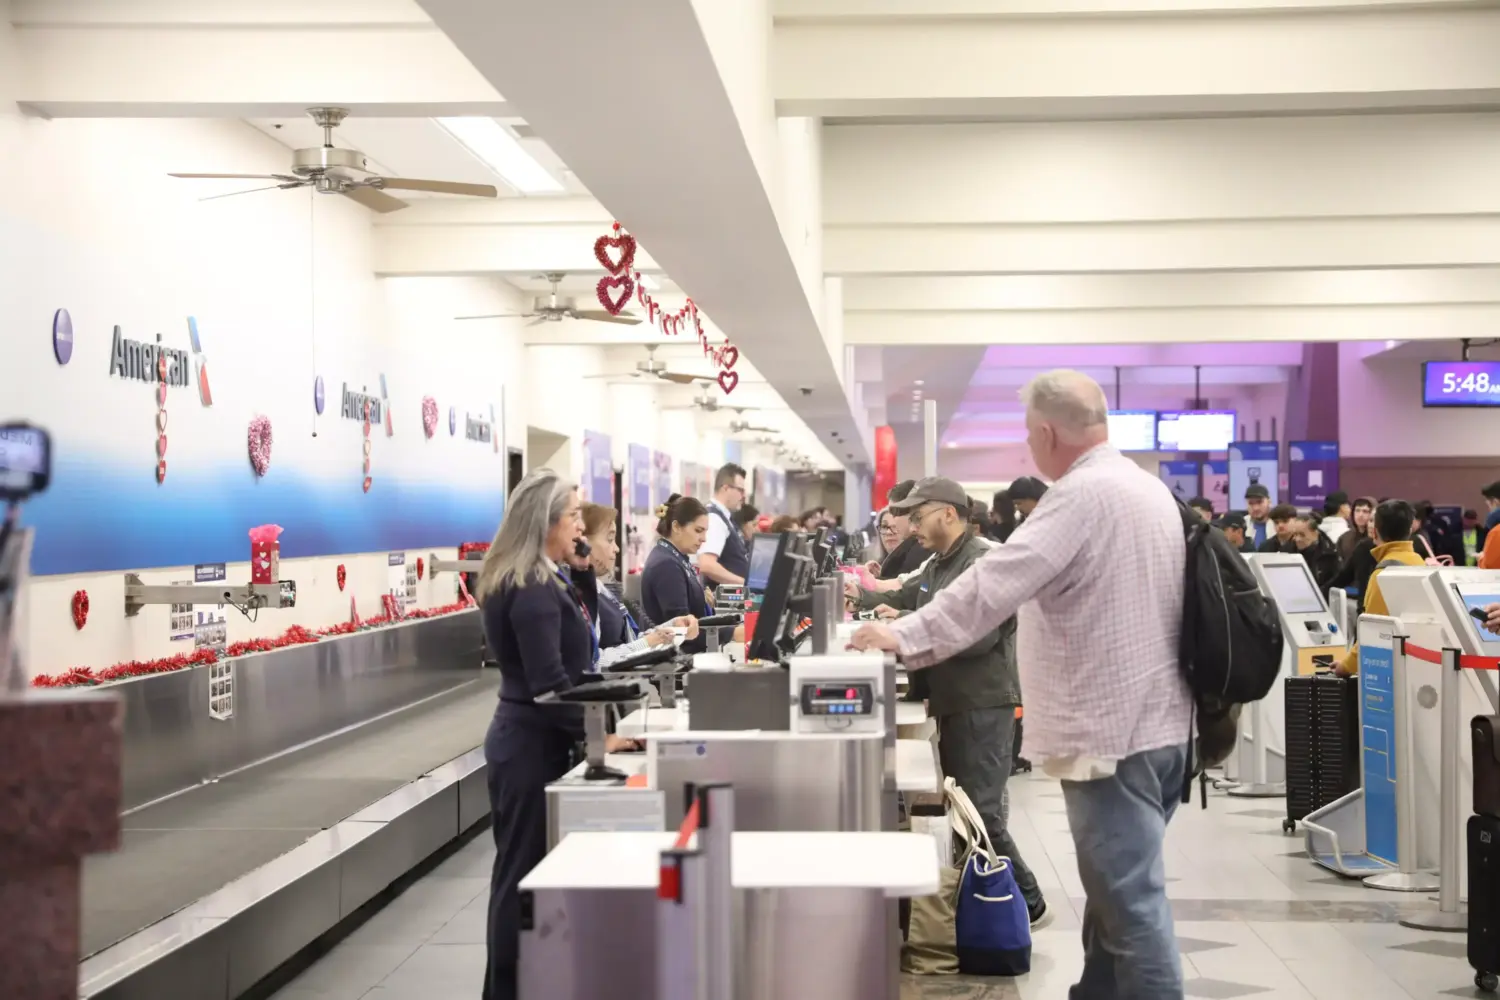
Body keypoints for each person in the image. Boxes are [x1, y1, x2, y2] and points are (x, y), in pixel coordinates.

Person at [851, 370, 1192, 999]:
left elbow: (993, 584)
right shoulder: (1146, 490)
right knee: (1113, 897)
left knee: (1132, 904)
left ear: (1045, 431)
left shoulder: (1081, 496)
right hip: (1162, 725)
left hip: (1110, 733)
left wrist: (903, 636)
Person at [846, 478, 1045, 923]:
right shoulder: (942, 563)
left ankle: (1027, 902)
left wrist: (902, 634)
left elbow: (977, 635)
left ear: (949, 513)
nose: (911, 526)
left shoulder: (983, 563)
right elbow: (913, 598)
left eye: (919, 516)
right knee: (967, 811)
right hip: (955, 699)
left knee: (982, 816)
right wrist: (863, 596)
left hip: (982, 702)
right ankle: (995, 900)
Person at [476, 470, 638, 1000]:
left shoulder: (546, 576)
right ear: (545, 523)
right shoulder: (531, 588)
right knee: (520, 877)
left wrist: (585, 569)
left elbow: (580, 649)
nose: (579, 525)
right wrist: (604, 740)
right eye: (572, 516)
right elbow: (551, 687)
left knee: (529, 875)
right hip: (528, 748)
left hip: (531, 740)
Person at [569, 502, 698, 667]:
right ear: (583, 543)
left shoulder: (600, 589)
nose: (616, 549)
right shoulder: (580, 595)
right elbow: (595, 662)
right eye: (609, 539)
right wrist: (649, 642)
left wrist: (672, 626)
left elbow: (632, 640)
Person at [1337, 500, 1426, 676]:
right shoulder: (1418, 562)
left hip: (1387, 671)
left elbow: (1372, 630)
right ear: (1410, 530)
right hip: (1415, 661)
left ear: (1375, 532)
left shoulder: (1382, 574)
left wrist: (1346, 666)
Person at [642, 494, 729, 655]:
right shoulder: (666, 565)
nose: (704, 539)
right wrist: (732, 634)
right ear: (676, 527)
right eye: (698, 531)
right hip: (677, 660)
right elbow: (684, 632)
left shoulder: (676, 557)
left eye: (705, 532)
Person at [699, 463, 750, 588]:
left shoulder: (725, 517)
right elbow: (707, 565)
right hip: (722, 602)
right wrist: (745, 584)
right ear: (725, 488)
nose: (743, 496)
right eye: (740, 490)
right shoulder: (714, 519)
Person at [1288, 512, 1340, 591]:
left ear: (1315, 534)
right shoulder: (1286, 552)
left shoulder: (1330, 554)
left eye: (1302, 535)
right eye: (1295, 534)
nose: (1297, 539)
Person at [1243, 483, 1273, 549]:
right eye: (1251, 503)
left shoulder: (1278, 524)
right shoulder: (1242, 524)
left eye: (1259, 502)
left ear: (1269, 502)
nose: (1255, 508)